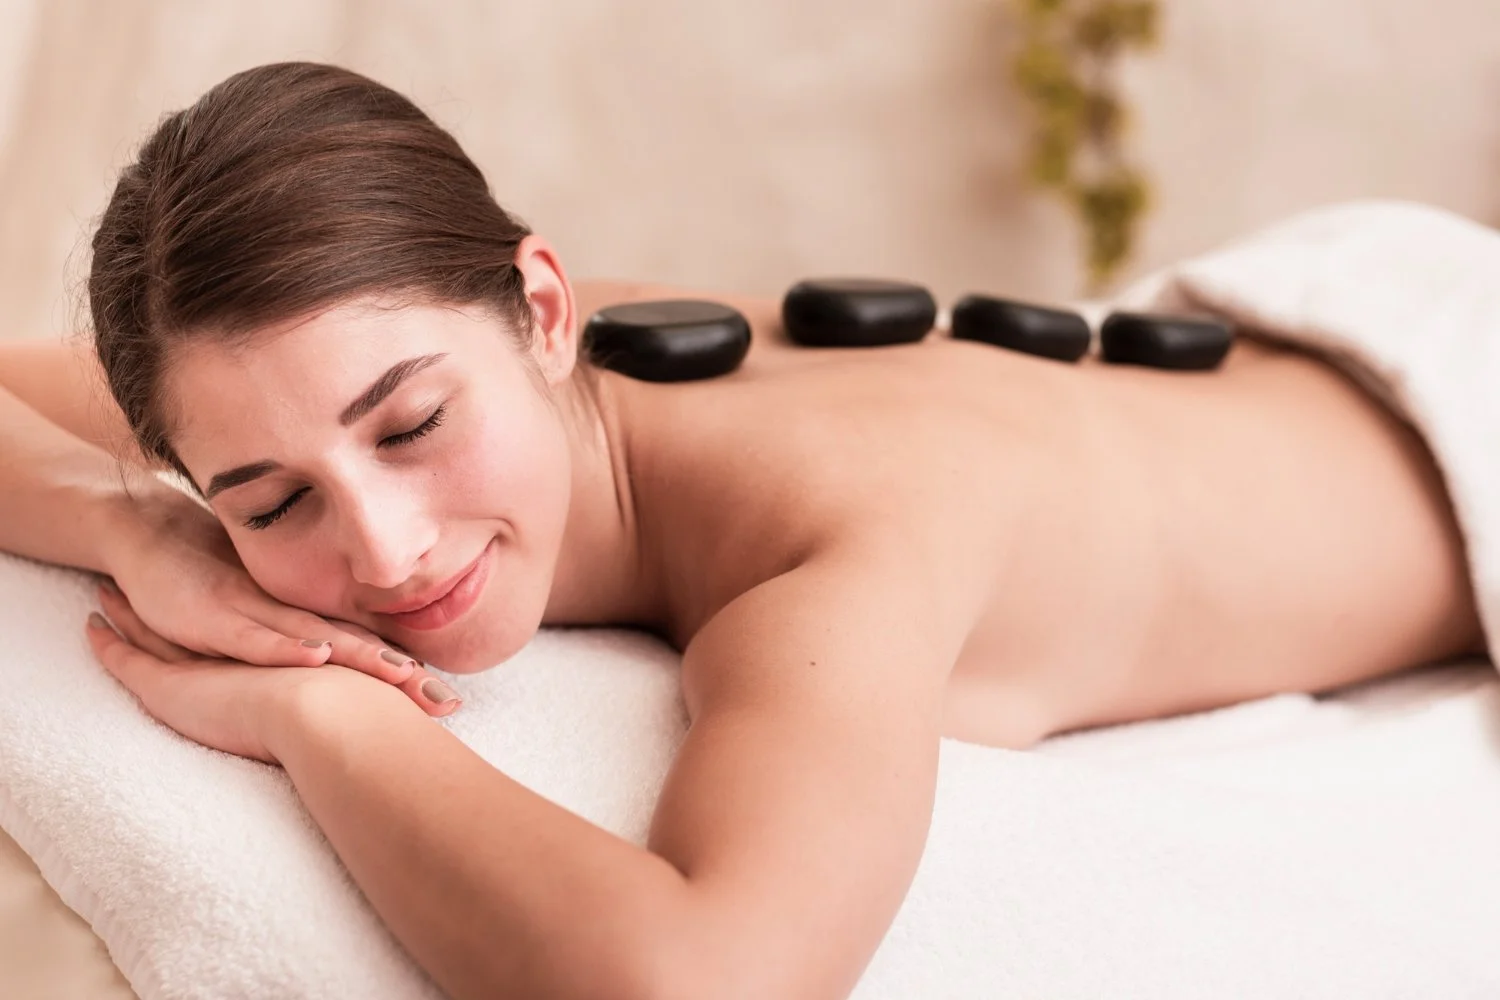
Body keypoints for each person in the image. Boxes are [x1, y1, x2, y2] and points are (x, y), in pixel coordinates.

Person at [0, 62, 1483, 999]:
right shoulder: (392, 361)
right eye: (269, 502)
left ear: (546, 308)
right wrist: (138, 529)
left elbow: (700, 982)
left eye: (411, 428)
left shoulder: (828, 547)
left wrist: (327, 722)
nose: (383, 553)